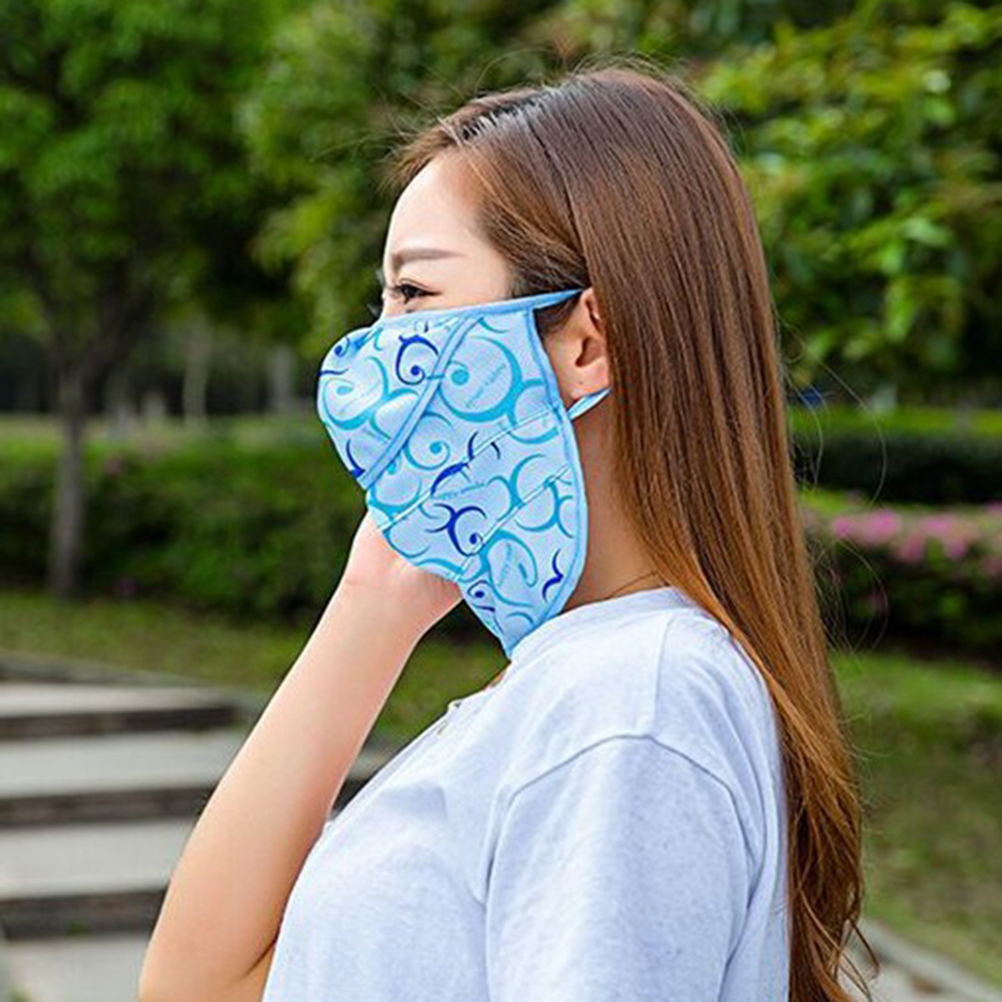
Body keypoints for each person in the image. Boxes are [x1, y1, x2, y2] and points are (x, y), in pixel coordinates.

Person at [139, 58, 876, 1002]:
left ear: (585, 344)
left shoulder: (629, 708)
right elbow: (197, 986)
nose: (373, 353)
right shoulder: (588, 681)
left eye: (414, 295)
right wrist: (375, 598)